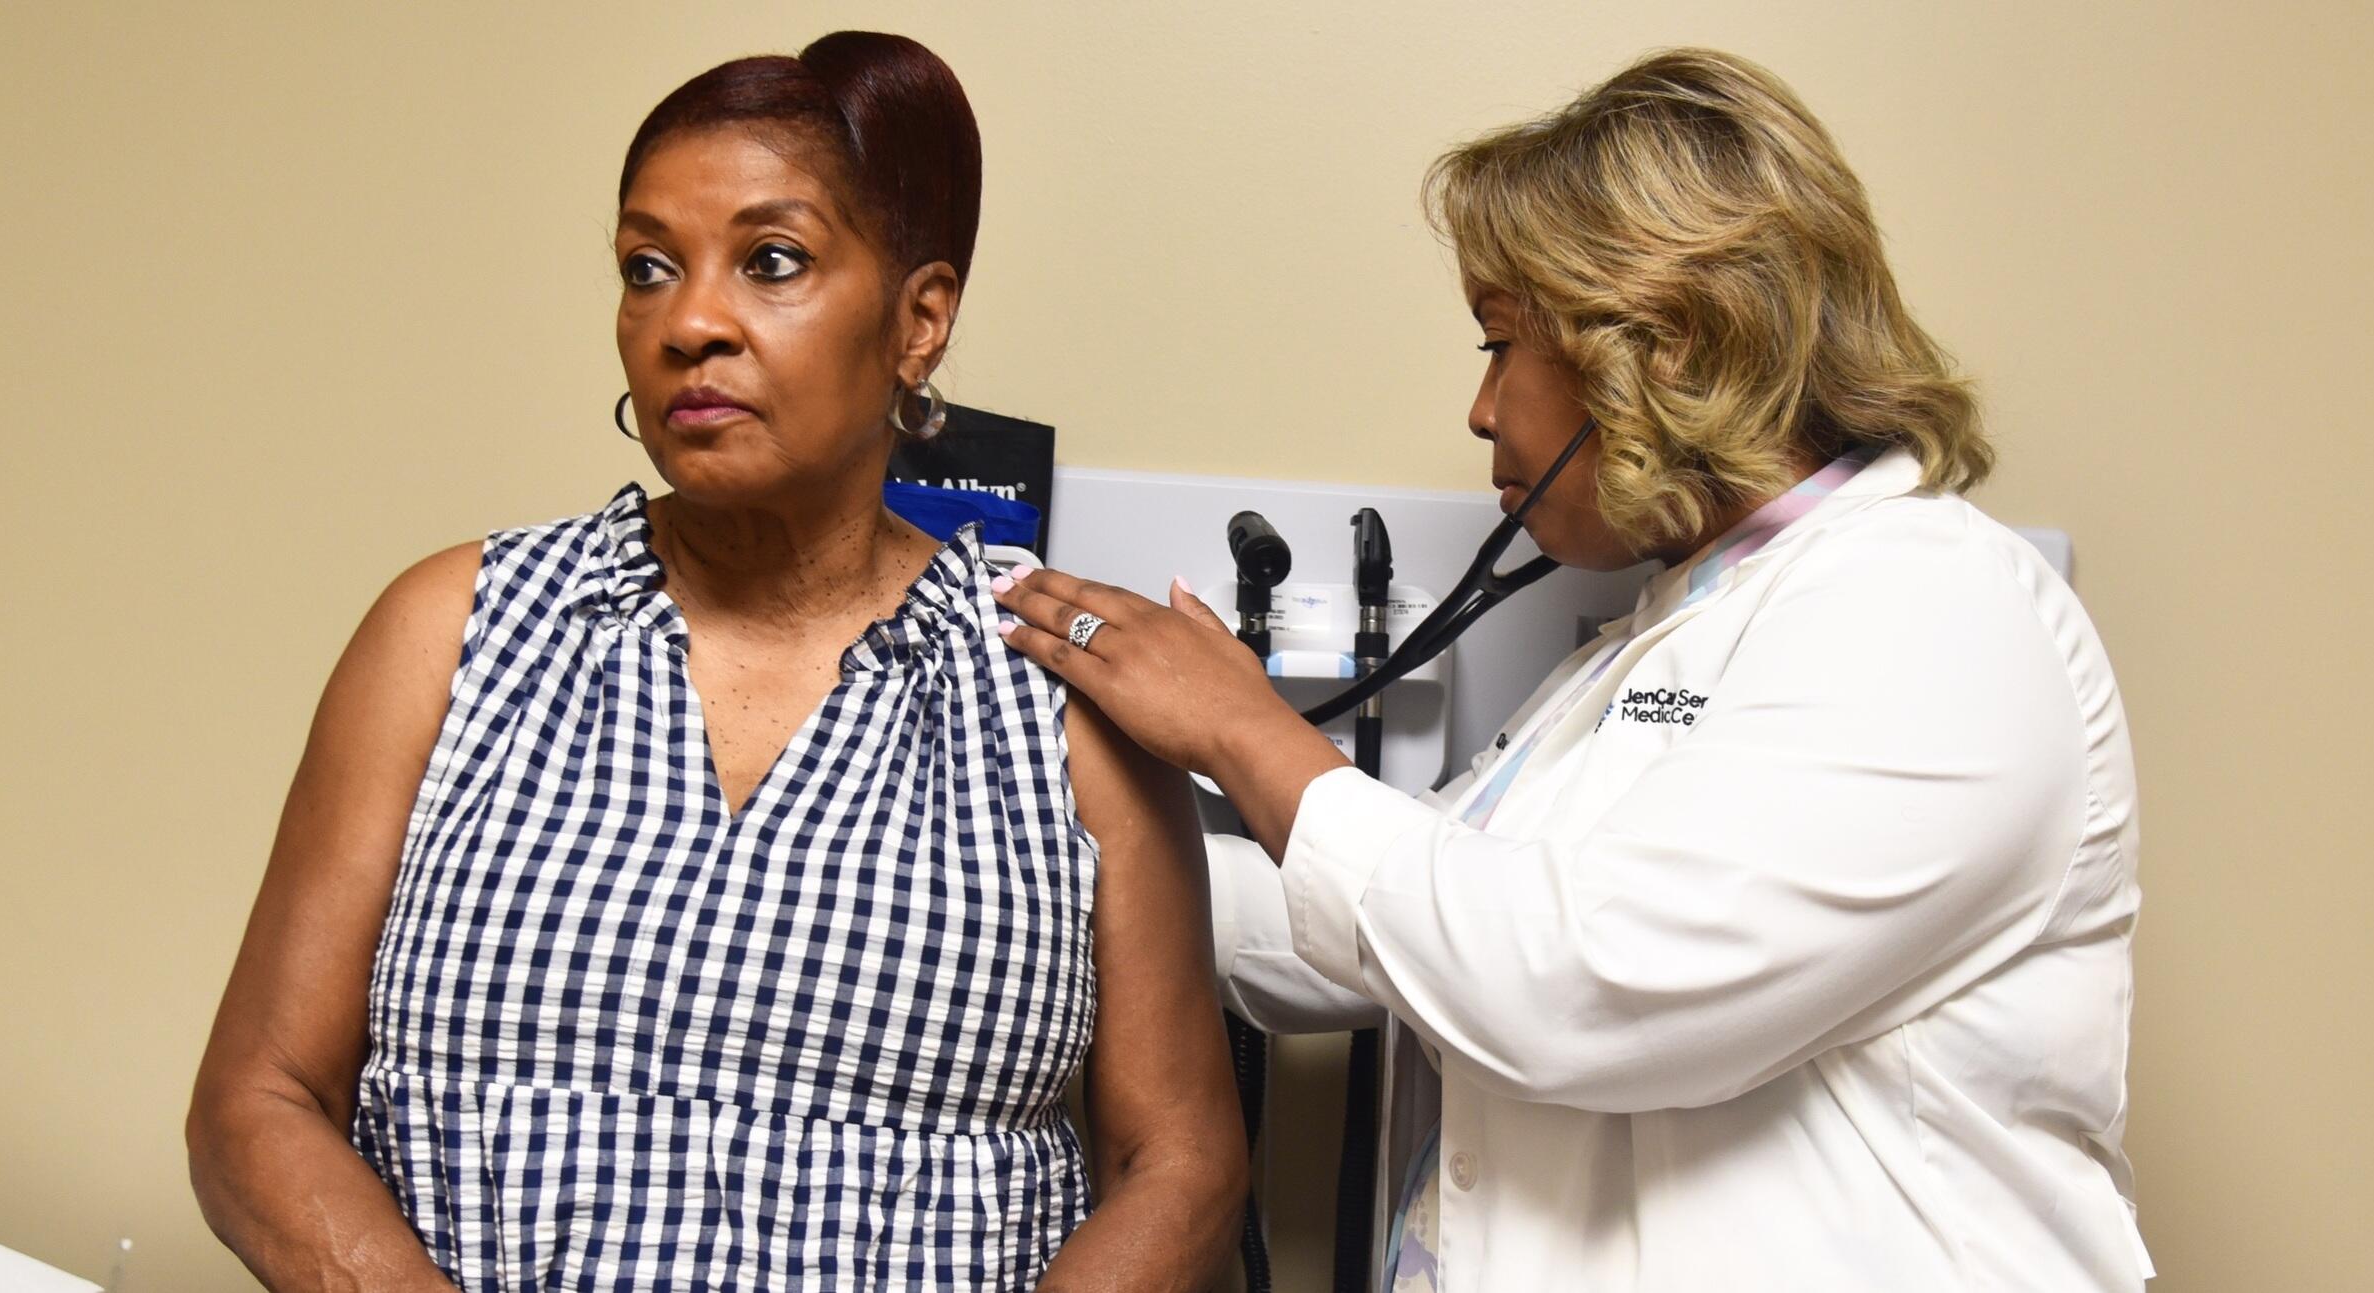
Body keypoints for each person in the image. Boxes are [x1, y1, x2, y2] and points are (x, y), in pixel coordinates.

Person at [992, 48, 2152, 1291]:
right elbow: (1378, 931)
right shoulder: (1642, 650)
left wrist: (1241, 730)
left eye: (1501, 344)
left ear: (1656, 345)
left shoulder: (1936, 608)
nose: (1483, 411)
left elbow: (1578, 986)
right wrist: (1031, 864)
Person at [186, 32, 1244, 1291]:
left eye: (772, 262)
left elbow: (1182, 1165)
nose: (689, 322)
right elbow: (256, 1100)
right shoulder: (451, 631)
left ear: (919, 320)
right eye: (647, 268)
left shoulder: (1054, 698)